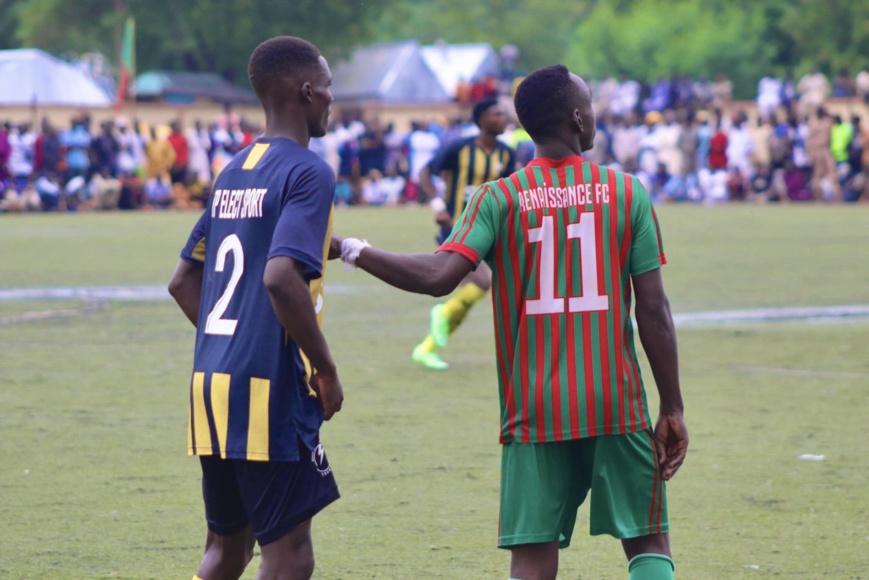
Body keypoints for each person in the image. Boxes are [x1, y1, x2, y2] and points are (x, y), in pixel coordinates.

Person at [335, 64, 687, 580]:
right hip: (614, 398)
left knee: (532, 559)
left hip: (534, 404)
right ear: (577, 118)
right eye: (589, 106)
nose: (593, 116)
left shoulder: (497, 198)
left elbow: (437, 277)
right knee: (648, 540)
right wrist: (672, 407)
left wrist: (350, 248)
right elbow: (653, 311)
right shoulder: (627, 192)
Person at [167, 35, 344, 580]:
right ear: (307, 91)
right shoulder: (308, 171)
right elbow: (280, 277)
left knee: (227, 549)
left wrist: (235, 343)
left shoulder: (234, 170)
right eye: (328, 88)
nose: (332, 99)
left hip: (212, 383)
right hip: (268, 389)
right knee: (289, 556)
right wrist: (324, 368)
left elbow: (182, 280)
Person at [410, 98, 516, 370]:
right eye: (496, 114)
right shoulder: (459, 148)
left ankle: (427, 347)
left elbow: (509, 189)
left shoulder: (506, 153)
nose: (503, 118)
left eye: (503, 114)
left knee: (473, 292)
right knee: (481, 283)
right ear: (481, 120)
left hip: (489, 230)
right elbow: (425, 173)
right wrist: (437, 205)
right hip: (457, 226)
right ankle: (441, 314)